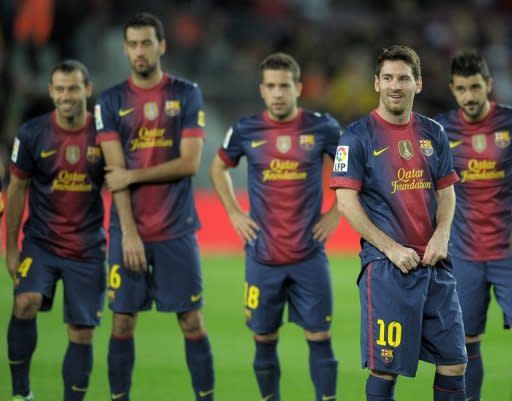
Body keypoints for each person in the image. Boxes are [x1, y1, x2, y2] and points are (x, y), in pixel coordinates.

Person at [330, 45, 467, 401]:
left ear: (417, 84)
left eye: (403, 78)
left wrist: (442, 235)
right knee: (384, 368)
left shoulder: (433, 132)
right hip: (388, 270)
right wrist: (390, 248)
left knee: (454, 363)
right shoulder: (357, 136)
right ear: (376, 83)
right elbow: (346, 203)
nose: (395, 85)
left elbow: (447, 192)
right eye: (388, 78)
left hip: (435, 266)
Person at [94, 12, 214, 401]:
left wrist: (132, 175)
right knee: (123, 322)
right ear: (126, 49)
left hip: (177, 229)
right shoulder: (110, 100)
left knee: (192, 321)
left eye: (147, 43)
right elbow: (115, 173)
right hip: (128, 231)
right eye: (132, 44)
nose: (139, 51)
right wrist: (128, 232)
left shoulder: (185, 92)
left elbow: (190, 163)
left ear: (161, 46)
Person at [210, 52, 341, 401]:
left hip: (308, 255)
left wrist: (335, 213)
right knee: (264, 340)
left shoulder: (322, 127)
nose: (278, 93)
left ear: (298, 87)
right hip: (262, 256)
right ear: (262, 91)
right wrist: (235, 213)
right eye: (271, 86)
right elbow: (217, 167)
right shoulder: (244, 129)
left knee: (320, 338)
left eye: (284, 85)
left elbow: (352, 170)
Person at [6, 60, 106, 401]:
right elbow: (17, 188)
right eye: (60, 89)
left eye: (74, 88)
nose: (67, 95)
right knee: (25, 302)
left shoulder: (105, 136)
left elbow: (122, 186)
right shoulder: (32, 133)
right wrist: (10, 248)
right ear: (51, 92)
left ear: (87, 90)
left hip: (88, 248)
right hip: (41, 243)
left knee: (81, 332)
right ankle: (21, 394)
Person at [434, 49, 512, 401]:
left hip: (509, 254)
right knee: (465, 343)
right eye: (462, 89)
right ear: (453, 89)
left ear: (489, 86)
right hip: (464, 255)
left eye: (476, 87)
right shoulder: (440, 130)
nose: (469, 96)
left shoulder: (509, 125)